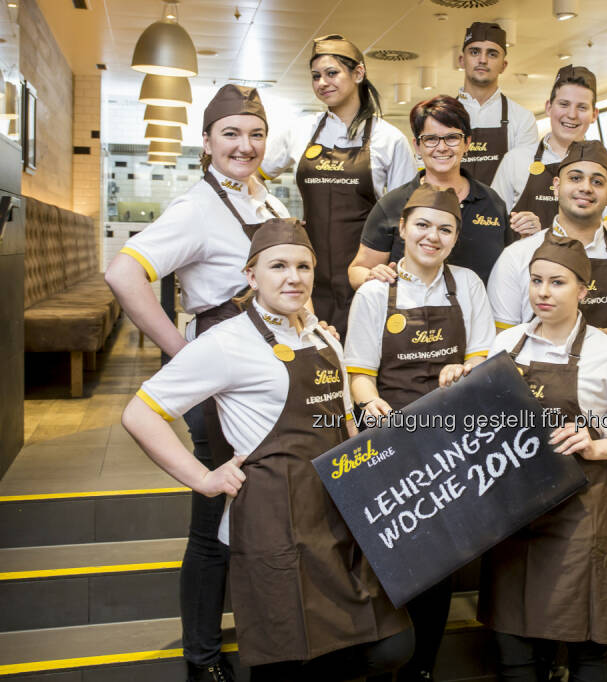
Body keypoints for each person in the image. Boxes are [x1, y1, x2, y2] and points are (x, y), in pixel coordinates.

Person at [121, 219, 412, 681]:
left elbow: (339, 422)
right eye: (278, 266)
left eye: (303, 266)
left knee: (389, 646)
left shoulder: (322, 338)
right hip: (274, 524)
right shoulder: (226, 342)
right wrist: (204, 479)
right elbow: (139, 414)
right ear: (252, 276)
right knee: (290, 657)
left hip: (337, 516)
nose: (293, 277)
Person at [105, 84, 287, 682]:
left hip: (267, 373)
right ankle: (202, 660)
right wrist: (183, 353)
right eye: (230, 133)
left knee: (259, 510)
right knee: (214, 517)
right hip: (221, 375)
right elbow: (123, 273)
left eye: (255, 133)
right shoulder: (197, 207)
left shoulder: (267, 199)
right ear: (206, 142)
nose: (245, 145)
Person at [479, 232, 607, 681]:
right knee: (513, 642)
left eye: (557, 283)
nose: (543, 292)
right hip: (514, 519)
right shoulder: (505, 346)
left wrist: (597, 445)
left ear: (583, 290)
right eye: (536, 281)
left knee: (589, 642)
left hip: (579, 519)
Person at [344, 184, 496, 682]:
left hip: (450, 438)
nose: (433, 237)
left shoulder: (468, 285)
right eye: (423, 226)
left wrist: (464, 371)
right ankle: (381, 661)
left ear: (456, 237)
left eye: (445, 229)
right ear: (403, 229)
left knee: (441, 558)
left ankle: (423, 669)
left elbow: (481, 355)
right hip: (391, 441)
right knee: (390, 554)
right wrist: (371, 405)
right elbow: (359, 373)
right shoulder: (374, 291)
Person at [487, 140, 607, 544]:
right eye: (575, 177)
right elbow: (502, 351)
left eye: (597, 181)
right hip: (526, 446)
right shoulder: (515, 258)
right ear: (555, 186)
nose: (585, 187)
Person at [260, 33, 417, 338]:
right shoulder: (301, 130)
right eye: (316, 76)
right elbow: (253, 172)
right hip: (305, 271)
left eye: (332, 73)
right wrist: (276, 220)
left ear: (358, 73)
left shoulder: (389, 138)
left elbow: (407, 216)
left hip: (367, 271)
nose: (322, 83)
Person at [349, 95, 511, 290]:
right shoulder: (393, 203)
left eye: (452, 138)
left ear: (467, 143)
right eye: (431, 139)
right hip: (409, 317)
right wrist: (371, 275)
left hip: (477, 317)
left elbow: (509, 269)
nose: (442, 148)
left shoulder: (491, 202)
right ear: (417, 145)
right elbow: (357, 269)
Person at [490, 65, 607, 238]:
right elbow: (492, 220)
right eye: (564, 104)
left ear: (594, 114)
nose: (572, 115)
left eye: (582, 107)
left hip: (585, 264)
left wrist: (553, 236)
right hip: (525, 263)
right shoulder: (516, 159)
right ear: (549, 107)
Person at [457, 21, 538, 184]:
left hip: (502, 209)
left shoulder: (522, 119)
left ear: (503, 65)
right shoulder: (441, 117)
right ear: (461, 60)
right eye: (474, 52)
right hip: (450, 208)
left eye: (492, 54)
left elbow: (523, 180)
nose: (482, 60)